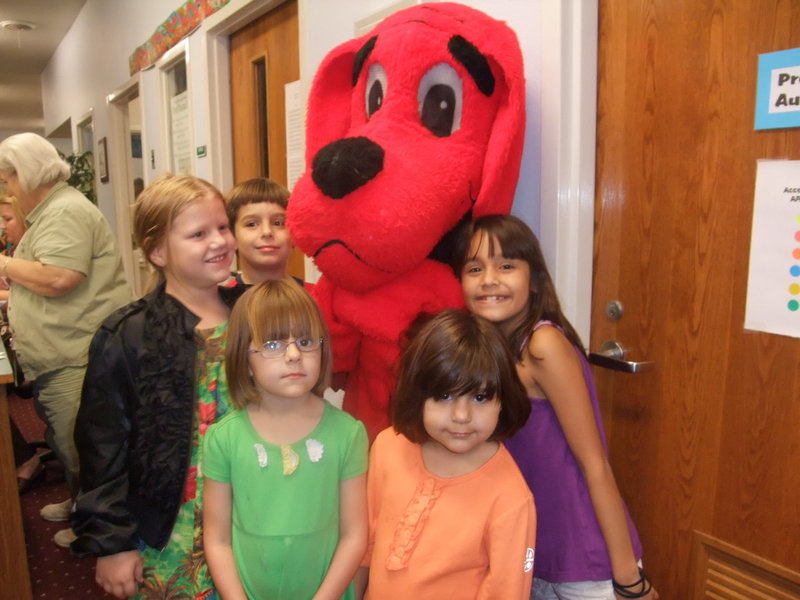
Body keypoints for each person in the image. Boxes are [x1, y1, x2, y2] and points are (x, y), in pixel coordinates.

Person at [456, 214, 658, 600]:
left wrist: (628, 578)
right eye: (475, 268)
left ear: (534, 281)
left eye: (507, 266)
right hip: (530, 554)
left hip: (584, 559)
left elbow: (594, 464)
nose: (489, 280)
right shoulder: (488, 352)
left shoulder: (542, 345)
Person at [70, 173, 243, 599]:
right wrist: (112, 543)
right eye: (198, 233)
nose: (219, 241)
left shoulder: (253, 313)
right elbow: (102, 445)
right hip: (173, 529)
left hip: (253, 511)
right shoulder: (129, 333)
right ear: (159, 251)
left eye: (222, 227)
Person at [0, 133, 132, 547]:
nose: (8, 190)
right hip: (60, 353)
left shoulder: (65, 212)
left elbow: (59, 277)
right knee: (69, 442)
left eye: (9, 179)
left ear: (26, 173)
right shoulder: (51, 212)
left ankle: (94, 531)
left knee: (85, 448)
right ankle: (80, 506)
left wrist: (3, 263)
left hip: (76, 353)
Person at [203, 278, 368, 599]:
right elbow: (218, 540)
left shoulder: (348, 434)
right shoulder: (224, 439)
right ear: (245, 359)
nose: (294, 354)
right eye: (273, 344)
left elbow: (355, 535)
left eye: (306, 341)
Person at [358, 309, 536, 600]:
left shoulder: (511, 496)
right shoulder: (388, 447)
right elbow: (366, 547)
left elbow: (506, 592)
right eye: (444, 396)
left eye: (479, 398)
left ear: (503, 400)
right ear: (418, 394)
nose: (462, 416)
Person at [224, 177, 298, 286]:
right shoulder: (218, 302)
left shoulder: (318, 298)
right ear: (232, 237)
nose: (267, 232)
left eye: (278, 223)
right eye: (252, 224)